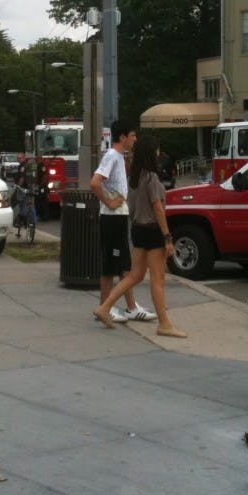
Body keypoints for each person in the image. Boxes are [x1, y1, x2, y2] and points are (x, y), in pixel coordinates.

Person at [93, 135, 186, 337]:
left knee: (134, 275)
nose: (159, 153)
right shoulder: (151, 178)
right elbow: (158, 208)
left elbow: (133, 205)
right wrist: (168, 237)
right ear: (152, 154)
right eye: (157, 150)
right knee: (157, 279)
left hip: (138, 229)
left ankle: (105, 306)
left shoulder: (133, 178)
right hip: (153, 231)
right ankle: (164, 324)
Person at [90, 120, 156, 323]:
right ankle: (105, 308)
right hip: (111, 218)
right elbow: (95, 182)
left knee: (125, 265)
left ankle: (130, 307)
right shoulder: (111, 156)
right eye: (133, 136)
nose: (135, 139)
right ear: (123, 137)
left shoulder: (119, 157)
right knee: (110, 265)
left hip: (118, 217)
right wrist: (109, 202)